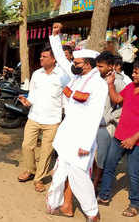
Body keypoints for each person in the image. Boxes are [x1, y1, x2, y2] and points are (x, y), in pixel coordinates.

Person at [46, 23, 108, 222]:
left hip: (82, 139)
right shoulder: (76, 77)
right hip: (66, 135)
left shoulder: (98, 85)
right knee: (59, 173)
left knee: (78, 177)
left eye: (78, 62)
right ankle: (54, 204)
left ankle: (92, 213)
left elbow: (94, 115)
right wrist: (55, 37)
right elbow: (63, 59)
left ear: (88, 64)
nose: (74, 64)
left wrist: (85, 144)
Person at [17, 46, 69, 192]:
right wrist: (27, 102)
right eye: (41, 56)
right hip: (34, 116)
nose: (41, 59)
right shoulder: (36, 74)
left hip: (52, 120)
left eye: (44, 56)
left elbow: (66, 98)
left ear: (53, 59)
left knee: (46, 152)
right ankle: (30, 169)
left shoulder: (63, 76)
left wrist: (66, 117)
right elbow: (32, 94)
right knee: (27, 145)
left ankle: (38, 179)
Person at [98, 60, 139, 218]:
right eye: (134, 71)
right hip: (119, 135)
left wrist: (133, 139)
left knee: (133, 172)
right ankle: (104, 195)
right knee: (109, 165)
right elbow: (116, 100)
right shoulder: (130, 87)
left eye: (136, 72)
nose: (133, 74)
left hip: (135, 140)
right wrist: (110, 85)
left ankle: (134, 204)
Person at [92, 52, 125, 191]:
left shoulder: (118, 82)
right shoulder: (95, 79)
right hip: (92, 124)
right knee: (91, 156)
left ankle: (95, 185)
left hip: (105, 127)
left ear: (111, 66)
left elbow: (124, 106)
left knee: (101, 157)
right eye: (97, 66)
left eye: (101, 66)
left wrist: (109, 118)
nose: (98, 69)